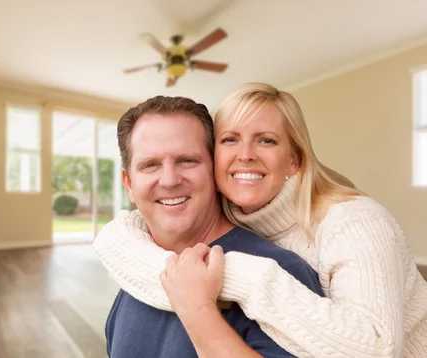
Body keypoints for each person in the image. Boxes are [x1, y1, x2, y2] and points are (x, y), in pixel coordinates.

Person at [94, 82, 427, 357]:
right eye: (230, 140)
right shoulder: (142, 262)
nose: (246, 155)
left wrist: (227, 284)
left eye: (187, 160)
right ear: (128, 184)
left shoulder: (350, 225)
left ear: (294, 160)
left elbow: (379, 348)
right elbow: (121, 237)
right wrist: (111, 240)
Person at [103, 95, 324, 358]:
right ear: (129, 184)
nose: (170, 180)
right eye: (150, 165)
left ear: (214, 170)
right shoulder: (137, 269)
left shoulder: (281, 270)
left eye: (187, 160)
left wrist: (200, 311)